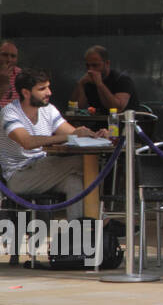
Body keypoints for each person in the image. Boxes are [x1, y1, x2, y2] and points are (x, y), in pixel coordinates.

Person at [1, 70, 109, 220]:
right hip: (19, 176)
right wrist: (71, 136)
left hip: (44, 169)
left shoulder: (48, 109)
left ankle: (77, 234)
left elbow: (74, 133)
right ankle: (103, 222)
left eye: (48, 87)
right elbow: (27, 142)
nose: (49, 92)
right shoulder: (9, 113)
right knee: (82, 163)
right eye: (42, 89)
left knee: (75, 182)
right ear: (25, 93)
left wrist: (95, 135)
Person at [75, 46, 139, 113]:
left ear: (107, 63)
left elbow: (117, 108)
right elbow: (76, 108)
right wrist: (80, 84)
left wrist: (100, 85)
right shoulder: (89, 81)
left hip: (123, 122)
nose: (90, 70)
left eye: (95, 65)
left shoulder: (122, 80)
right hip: (99, 121)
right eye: (87, 66)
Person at [0, 41, 20, 108]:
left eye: (13, 56)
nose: (9, 60)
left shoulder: (21, 75)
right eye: (5, 55)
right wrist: (3, 84)